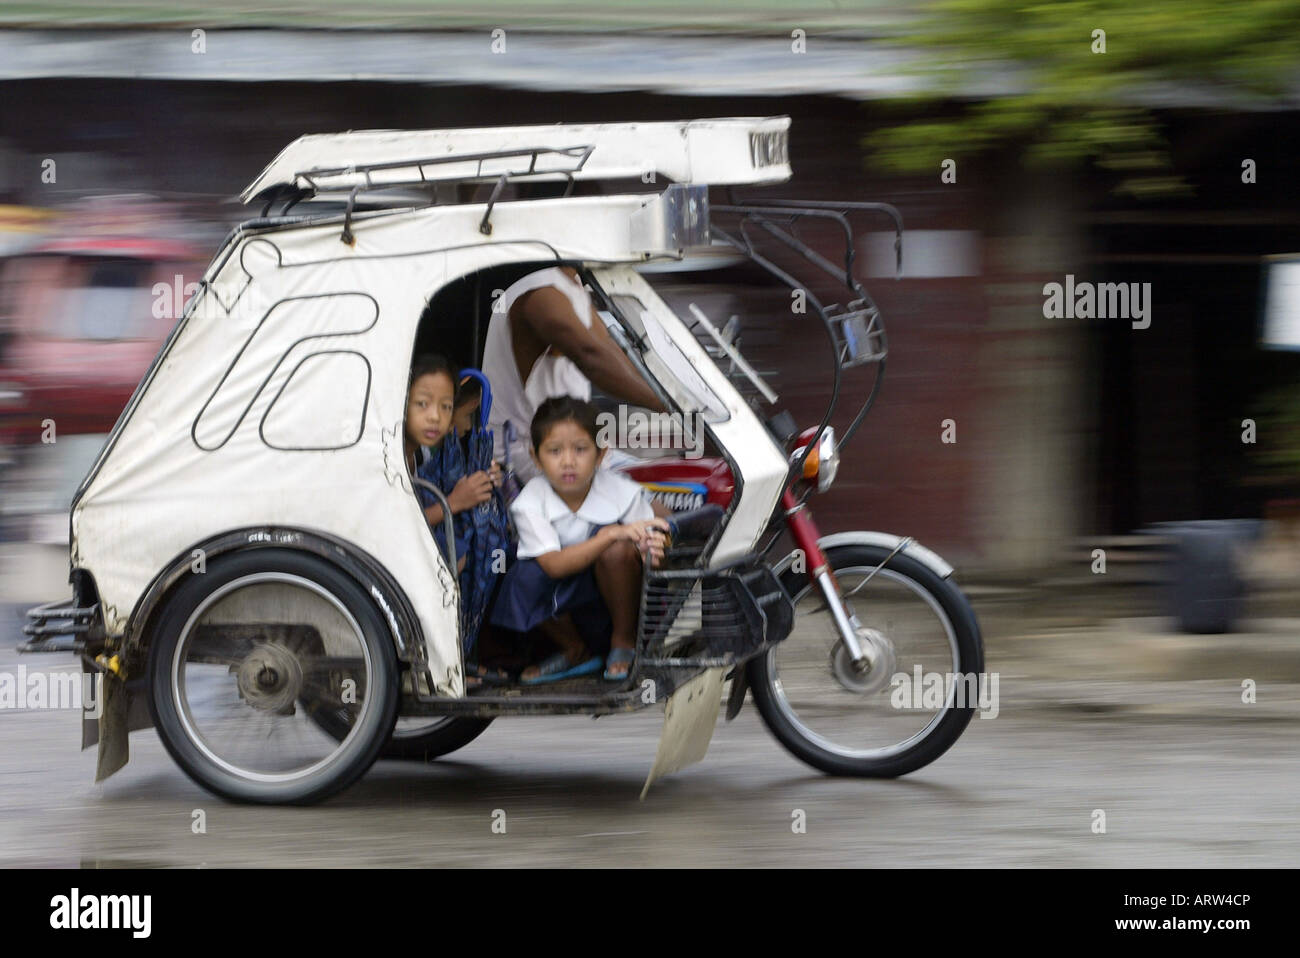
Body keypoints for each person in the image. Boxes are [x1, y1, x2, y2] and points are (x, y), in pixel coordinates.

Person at [490, 395, 669, 684]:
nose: (568, 461)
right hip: (565, 606)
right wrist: (610, 533)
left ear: (601, 454)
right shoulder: (530, 502)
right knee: (520, 574)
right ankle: (574, 649)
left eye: (581, 449)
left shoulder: (622, 493)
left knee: (618, 550)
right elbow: (553, 566)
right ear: (535, 457)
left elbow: (652, 546)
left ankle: (623, 643)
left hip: (615, 605)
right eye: (555, 451)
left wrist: (652, 552)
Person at [481, 265, 666, 484]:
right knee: (660, 503)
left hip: (572, 448)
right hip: (532, 459)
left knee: (687, 483)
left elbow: (613, 352)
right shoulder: (540, 293)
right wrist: (674, 408)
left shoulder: (570, 284)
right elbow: (592, 357)